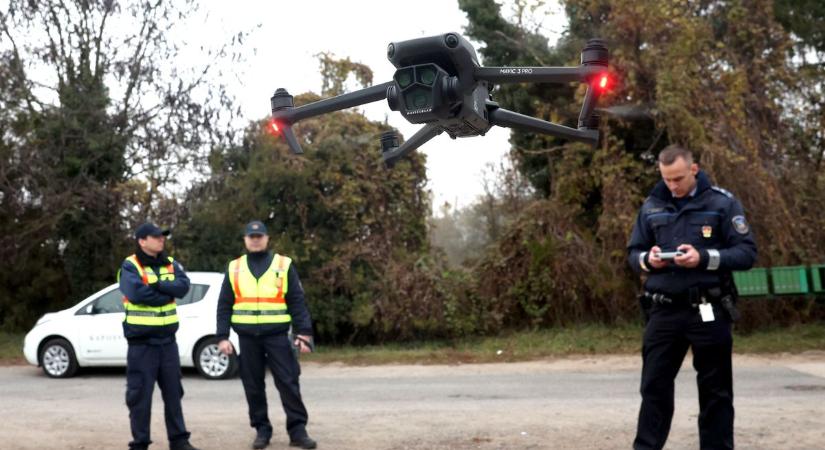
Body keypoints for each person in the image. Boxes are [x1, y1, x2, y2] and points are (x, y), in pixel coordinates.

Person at [627, 145, 757, 449]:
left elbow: (747, 253)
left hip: (708, 309)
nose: (673, 185)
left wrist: (704, 257)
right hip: (663, 312)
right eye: (667, 179)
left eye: (679, 178)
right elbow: (633, 253)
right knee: (654, 388)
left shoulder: (722, 204)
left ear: (694, 170)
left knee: (716, 392)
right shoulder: (651, 206)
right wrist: (649, 259)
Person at [216, 220, 317, 449]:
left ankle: (298, 431)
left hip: (278, 337)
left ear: (267, 238)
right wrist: (222, 336)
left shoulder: (283, 264)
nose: (255, 240)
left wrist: (304, 333)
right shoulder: (234, 267)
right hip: (247, 338)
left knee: (289, 382)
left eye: (259, 236)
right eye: (251, 237)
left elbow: (297, 302)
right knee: (253, 386)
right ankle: (262, 430)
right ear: (245, 240)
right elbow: (224, 305)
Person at [119, 223, 199, 450]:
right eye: (155, 237)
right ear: (142, 241)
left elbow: (183, 287)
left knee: (174, 394)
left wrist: (156, 284)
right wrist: (166, 293)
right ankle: (140, 443)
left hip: (167, 344)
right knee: (139, 398)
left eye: (162, 236)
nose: (161, 240)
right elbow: (135, 293)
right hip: (142, 345)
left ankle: (179, 441)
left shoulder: (171, 263)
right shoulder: (130, 265)